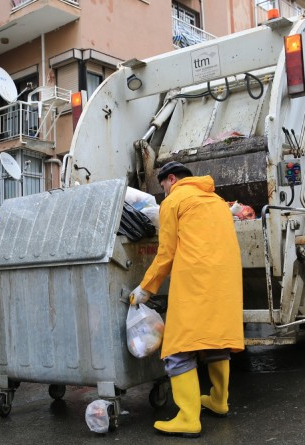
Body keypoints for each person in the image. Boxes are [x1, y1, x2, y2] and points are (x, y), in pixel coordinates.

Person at [130, 161, 243, 438]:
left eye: (163, 187)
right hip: (225, 283)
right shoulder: (217, 201)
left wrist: (146, 288)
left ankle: (188, 418)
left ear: (171, 180)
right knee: (216, 342)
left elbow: (166, 252)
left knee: (177, 349)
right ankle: (218, 400)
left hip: (196, 282)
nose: (163, 192)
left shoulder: (175, 200)